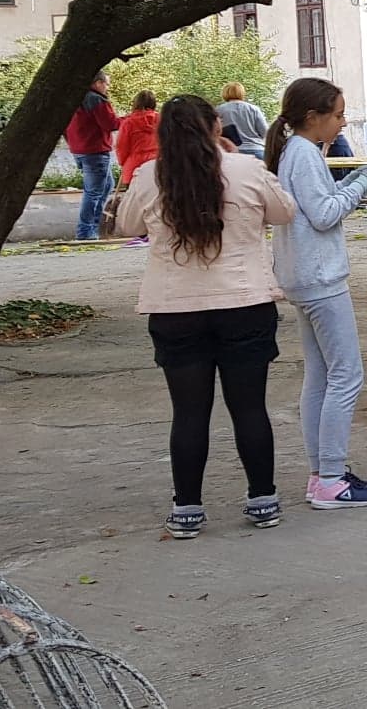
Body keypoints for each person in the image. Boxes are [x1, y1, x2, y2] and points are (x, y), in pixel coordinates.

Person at [115, 95, 296, 538]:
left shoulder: (150, 175)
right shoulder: (246, 169)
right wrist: (234, 159)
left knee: (189, 412)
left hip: (175, 307)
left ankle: (187, 509)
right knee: (249, 407)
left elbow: (126, 226)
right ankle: (263, 500)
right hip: (244, 302)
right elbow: (285, 211)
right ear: (217, 126)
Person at [266, 77, 367, 509]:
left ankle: (322, 474)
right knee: (346, 376)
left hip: (302, 277)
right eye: (337, 115)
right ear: (312, 117)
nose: (342, 122)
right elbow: (323, 215)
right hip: (320, 280)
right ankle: (332, 479)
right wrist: (362, 184)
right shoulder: (304, 152)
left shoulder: (295, 151)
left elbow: (315, 204)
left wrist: (354, 180)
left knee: (321, 376)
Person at [65, 71, 120, 240]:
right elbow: (110, 124)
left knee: (107, 185)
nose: (107, 87)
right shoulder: (96, 100)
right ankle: (86, 231)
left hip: (79, 150)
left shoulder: (73, 98)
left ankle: (94, 225)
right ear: (98, 83)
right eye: (106, 84)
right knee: (93, 192)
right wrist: (130, 119)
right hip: (95, 150)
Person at [113, 90, 161, 246]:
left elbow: (122, 146)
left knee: (136, 202)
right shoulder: (161, 119)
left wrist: (123, 163)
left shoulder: (129, 122)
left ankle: (140, 233)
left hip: (135, 165)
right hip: (159, 164)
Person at [216, 82, 269, 160]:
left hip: (231, 151)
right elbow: (265, 132)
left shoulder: (219, 110)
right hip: (256, 150)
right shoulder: (254, 109)